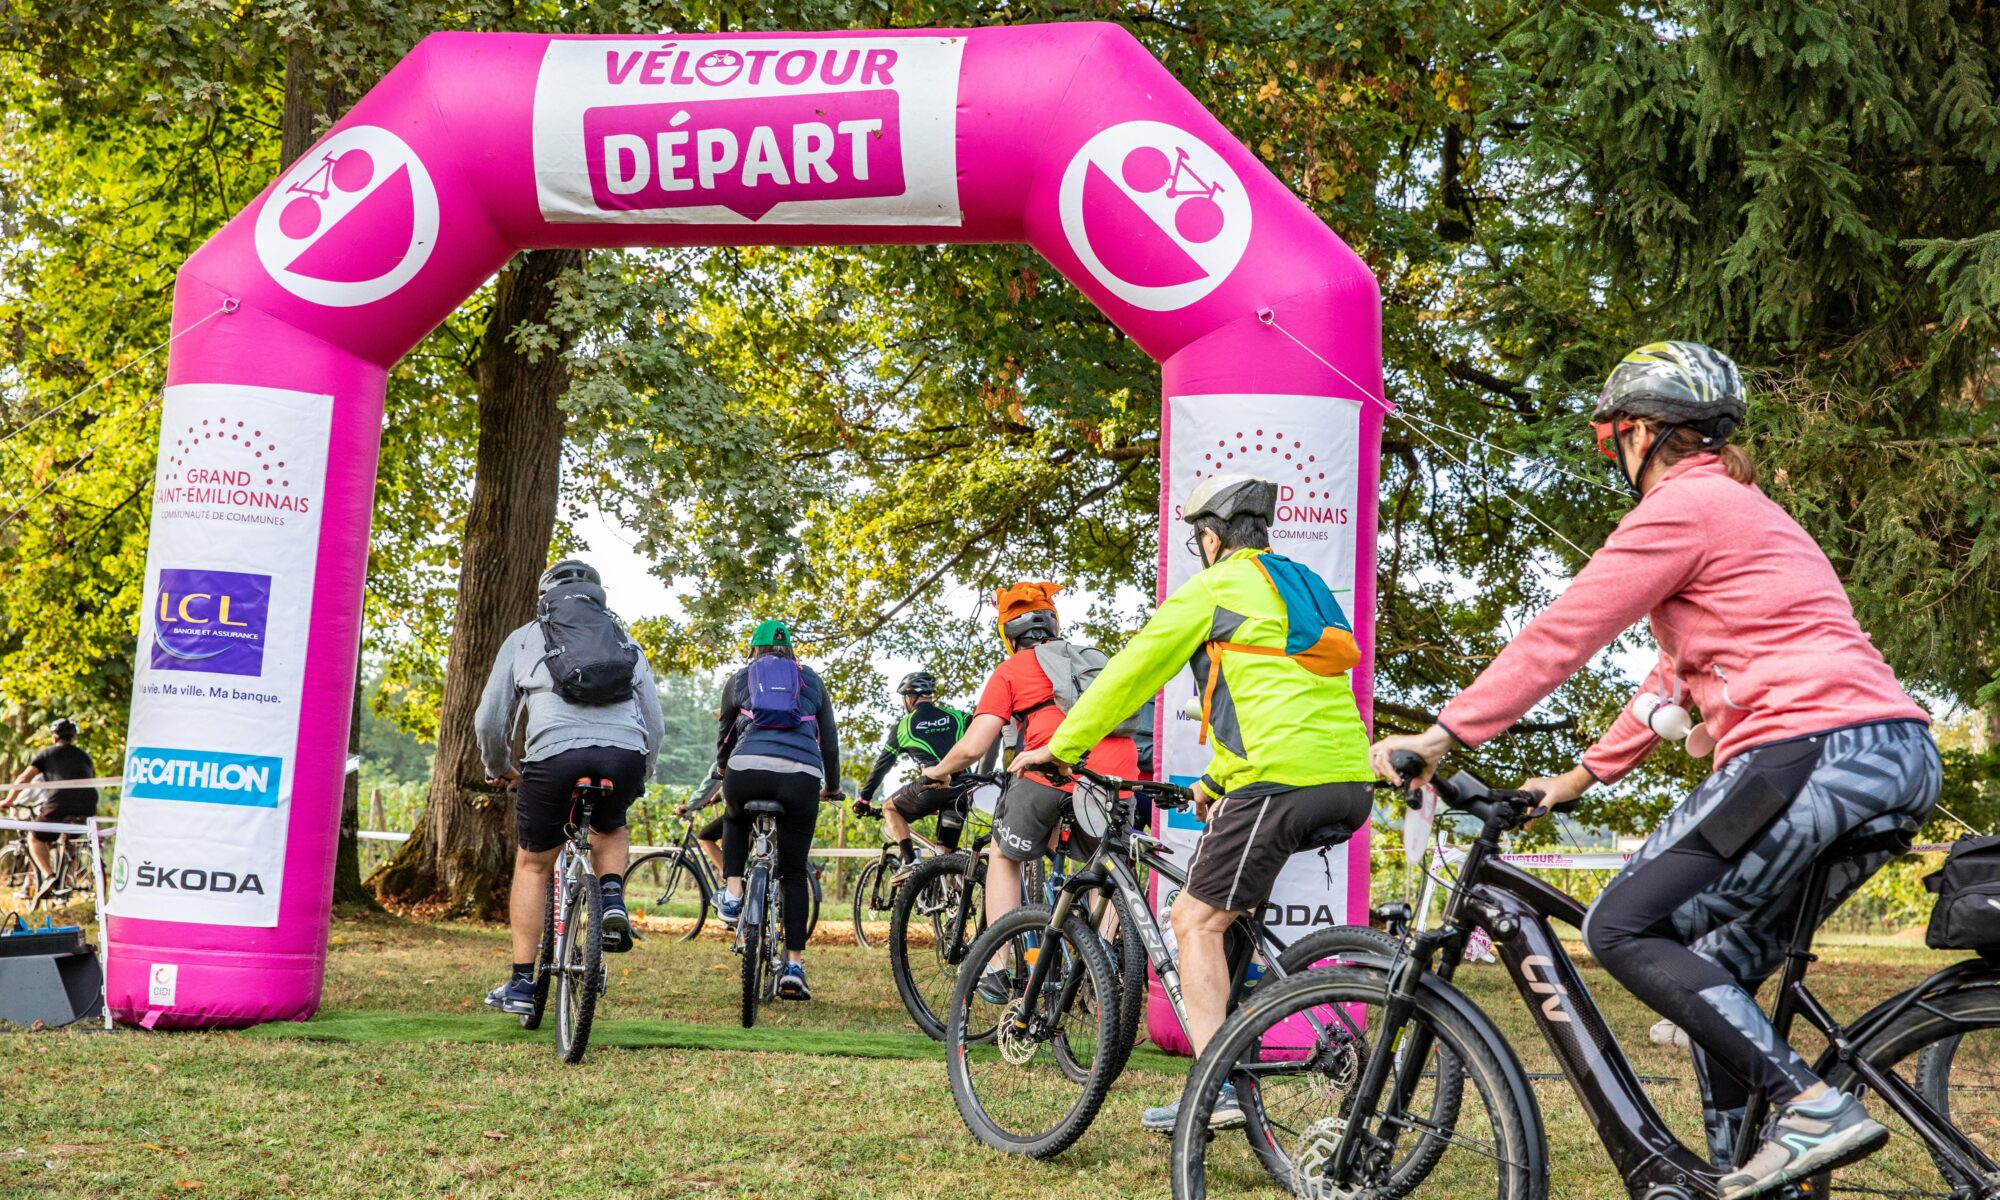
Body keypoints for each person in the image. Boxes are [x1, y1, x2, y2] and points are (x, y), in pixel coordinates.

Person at [1369, 341, 1940, 1199]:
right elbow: (1669, 679)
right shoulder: (1750, 512)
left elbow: (1564, 634)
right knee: (1722, 962)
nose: (1613, 456)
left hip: (1814, 752)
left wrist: (1447, 734)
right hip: (1893, 758)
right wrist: (1576, 780)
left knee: (1620, 927)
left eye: (1609, 441)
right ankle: (1750, 1173)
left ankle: (1811, 1107)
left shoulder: (1684, 509)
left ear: (1636, 433)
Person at [1009, 472, 1375, 1132]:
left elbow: (1133, 672)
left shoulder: (1214, 587)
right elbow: (1281, 695)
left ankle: (1217, 1087)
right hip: (1347, 778)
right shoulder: (1306, 585)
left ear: (1209, 537)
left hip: (1281, 779)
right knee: (1225, 919)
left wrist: (1060, 746)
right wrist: (1214, 783)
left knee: (1194, 921)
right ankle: (1229, 1058)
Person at [920, 582, 1140, 1000]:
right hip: (1114, 777)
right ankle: (1102, 966)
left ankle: (996, 966)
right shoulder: (1091, 659)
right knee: (1105, 872)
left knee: (1004, 856)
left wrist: (938, 770)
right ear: (1054, 623)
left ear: (1009, 634)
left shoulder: (1011, 671)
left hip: (1048, 770)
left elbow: (974, 745)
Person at [477, 560, 664, 1015]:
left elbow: (490, 717)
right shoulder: (624, 640)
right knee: (610, 826)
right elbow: (654, 723)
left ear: (546, 597)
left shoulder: (525, 636)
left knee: (534, 864)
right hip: (624, 756)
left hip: (554, 758)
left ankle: (522, 984)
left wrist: (498, 766)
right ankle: (613, 897)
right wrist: (643, 770)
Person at [715, 619, 843, 1001]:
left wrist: (725, 769)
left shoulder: (741, 678)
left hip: (745, 769)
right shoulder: (811, 680)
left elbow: (725, 733)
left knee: (735, 816)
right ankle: (794, 966)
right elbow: (829, 740)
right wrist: (832, 787)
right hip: (801, 777)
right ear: (790, 650)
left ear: (754, 650)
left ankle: (734, 893)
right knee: (790, 872)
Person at [855, 670, 973, 883]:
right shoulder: (959, 717)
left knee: (890, 807)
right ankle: (952, 899)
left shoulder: (904, 726)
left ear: (909, 698)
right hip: (964, 791)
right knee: (945, 854)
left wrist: (864, 799)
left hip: (933, 788)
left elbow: (882, 766)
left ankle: (910, 861)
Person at [10, 719, 99, 878]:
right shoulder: (85, 757)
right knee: (68, 840)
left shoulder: (47, 753)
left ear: (54, 737)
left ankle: (49, 877)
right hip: (88, 805)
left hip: (59, 804)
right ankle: (68, 880)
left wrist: (8, 800)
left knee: (35, 837)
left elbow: (24, 779)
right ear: (73, 738)